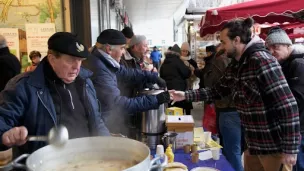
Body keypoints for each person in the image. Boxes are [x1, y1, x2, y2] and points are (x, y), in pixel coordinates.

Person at [170, 18, 300, 171]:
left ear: (237, 40)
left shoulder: (262, 61)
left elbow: (288, 105)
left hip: (273, 147)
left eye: (224, 42)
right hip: (253, 145)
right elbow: (216, 90)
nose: (223, 47)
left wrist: (290, 148)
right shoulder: (237, 64)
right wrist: (184, 95)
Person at [0, 32, 110, 156]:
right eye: (71, 60)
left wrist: (108, 145)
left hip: (88, 160)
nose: (77, 67)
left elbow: (96, 120)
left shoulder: (86, 82)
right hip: (46, 164)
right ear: (52, 59)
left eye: (80, 60)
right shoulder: (23, 87)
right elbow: (3, 120)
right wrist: (5, 135)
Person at [83, 29, 170, 138]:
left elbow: (127, 73)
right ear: (109, 49)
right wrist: (156, 99)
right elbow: (117, 103)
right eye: (122, 48)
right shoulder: (100, 70)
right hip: (102, 124)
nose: (124, 52)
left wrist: (151, 77)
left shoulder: (105, 61)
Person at [198, 44, 244, 171]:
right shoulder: (240, 60)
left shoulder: (220, 60)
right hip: (240, 110)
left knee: (231, 152)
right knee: (237, 150)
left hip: (227, 109)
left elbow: (211, 86)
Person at [266, 27, 304, 171]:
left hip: (299, 127)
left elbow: (295, 100)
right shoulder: (283, 64)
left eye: (276, 47)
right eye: (269, 48)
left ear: (288, 45)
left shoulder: (298, 65)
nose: (272, 51)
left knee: (297, 165)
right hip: (292, 127)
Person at [160, 44, 192, 115]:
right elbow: (186, 73)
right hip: (178, 91)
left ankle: (170, 124)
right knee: (178, 111)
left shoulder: (164, 62)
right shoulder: (178, 61)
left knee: (170, 110)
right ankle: (178, 125)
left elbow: (161, 76)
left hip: (168, 91)